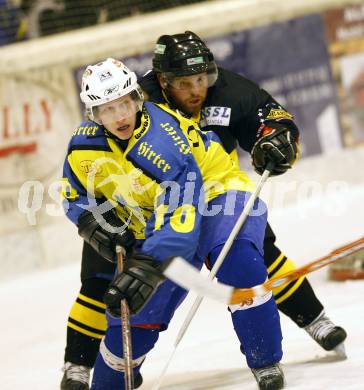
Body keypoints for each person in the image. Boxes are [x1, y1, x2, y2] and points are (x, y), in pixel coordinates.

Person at [60, 32, 347, 390]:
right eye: (106, 109)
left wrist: (149, 264)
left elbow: (183, 216)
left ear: (137, 98)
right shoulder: (90, 137)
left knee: (241, 258)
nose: (197, 90)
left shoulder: (173, 135)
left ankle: (277, 350)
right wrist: (89, 220)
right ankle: (89, 369)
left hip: (213, 190)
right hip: (148, 205)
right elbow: (73, 189)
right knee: (118, 295)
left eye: (202, 79)